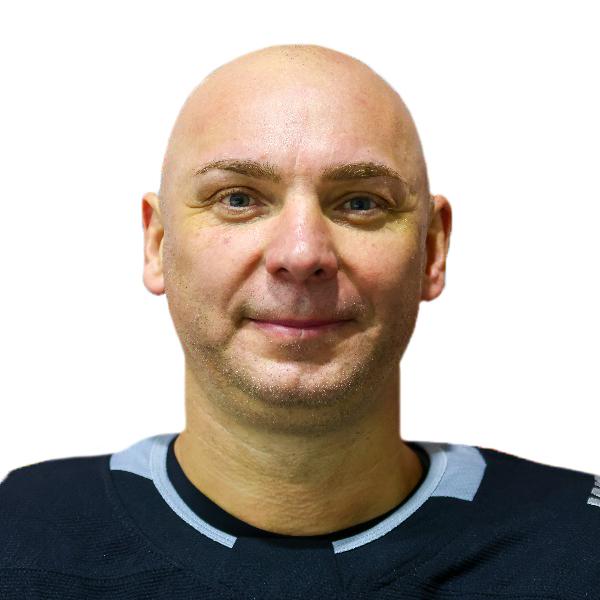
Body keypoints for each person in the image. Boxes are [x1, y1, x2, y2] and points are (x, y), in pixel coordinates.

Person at [0, 44, 598, 599]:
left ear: (432, 250)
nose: (302, 253)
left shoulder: (579, 547)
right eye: (238, 198)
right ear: (158, 244)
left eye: (360, 203)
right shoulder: (21, 539)